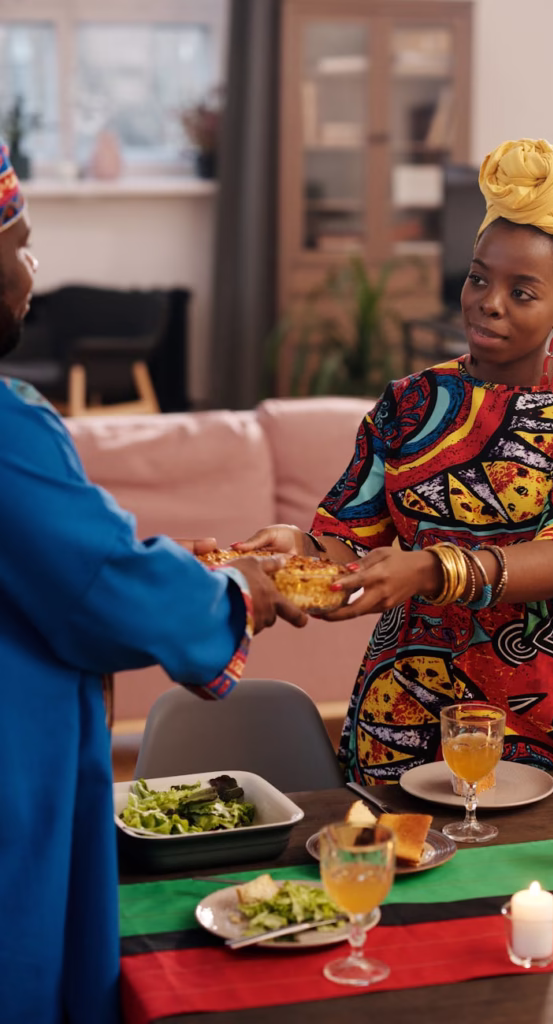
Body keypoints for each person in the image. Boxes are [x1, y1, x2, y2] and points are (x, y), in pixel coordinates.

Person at [0, 141, 308, 1024]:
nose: (30, 268)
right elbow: (103, 583)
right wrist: (241, 590)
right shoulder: (8, 431)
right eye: (19, 242)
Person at [237, 138, 553, 785]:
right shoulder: (408, 405)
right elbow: (348, 544)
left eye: (522, 291)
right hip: (411, 711)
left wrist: (432, 568)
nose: (489, 301)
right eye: (479, 277)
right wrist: (299, 552)